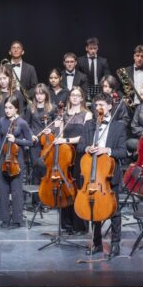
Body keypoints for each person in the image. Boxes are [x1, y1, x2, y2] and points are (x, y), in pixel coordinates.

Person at [77, 93, 128, 257]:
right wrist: (87, 148)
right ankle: (97, 243)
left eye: (102, 105)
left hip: (109, 175)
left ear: (109, 106)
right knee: (94, 209)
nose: (99, 108)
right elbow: (79, 147)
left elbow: (123, 152)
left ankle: (115, 244)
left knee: (115, 211)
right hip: (92, 175)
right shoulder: (89, 125)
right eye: (97, 105)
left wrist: (107, 150)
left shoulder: (118, 126)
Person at [47, 87, 92, 233]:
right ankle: (67, 224)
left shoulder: (87, 114)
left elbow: (84, 137)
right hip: (66, 156)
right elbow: (57, 134)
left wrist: (65, 139)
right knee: (65, 187)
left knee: (78, 188)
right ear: (69, 97)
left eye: (78, 95)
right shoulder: (64, 114)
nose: (75, 97)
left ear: (82, 98)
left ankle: (80, 225)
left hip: (79, 155)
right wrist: (54, 129)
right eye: (73, 95)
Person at [0, 96, 32, 229]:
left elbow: (30, 141)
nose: (7, 110)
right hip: (4, 159)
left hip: (17, 160)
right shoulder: (2, 121)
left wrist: (16, 140)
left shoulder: (22, 123)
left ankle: (17, 220)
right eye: (6, 107)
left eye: (10, 108)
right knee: (3, 191)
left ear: (16, 109)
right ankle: (4, 219)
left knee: (16, 192)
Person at [26, 84, 56, 183]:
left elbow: (57, 123)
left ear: (46, 95)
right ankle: (36, 197)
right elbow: (27, 124)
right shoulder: (30, 108)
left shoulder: (52, 108)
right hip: (35, 142)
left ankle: (46, 194)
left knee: (47, 167)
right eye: (37, 94)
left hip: (48, 142)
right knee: (35, 168)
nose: (39, 96)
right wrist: (31, 135)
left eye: (42, 93)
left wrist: (51, 129)